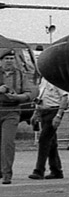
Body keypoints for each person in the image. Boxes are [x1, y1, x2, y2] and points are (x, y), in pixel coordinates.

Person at [1, 49, 39, 186]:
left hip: (12, 110)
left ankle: (7, 174)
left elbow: (29, 93)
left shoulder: (21, 75)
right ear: (1, 61)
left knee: (8, 142)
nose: (9, 61)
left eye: (12, 58)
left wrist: (18, 97)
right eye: (6, 59)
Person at [28, 76, 69, 179]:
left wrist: (59, 115)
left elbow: (65, 97)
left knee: (44, 140)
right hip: (43, 111)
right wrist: (36, 112)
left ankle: (39, 170)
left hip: (53, 111)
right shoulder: (43, 80)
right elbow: (41, 97)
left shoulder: (57, 79)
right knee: (51, 143)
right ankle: (56, 170)